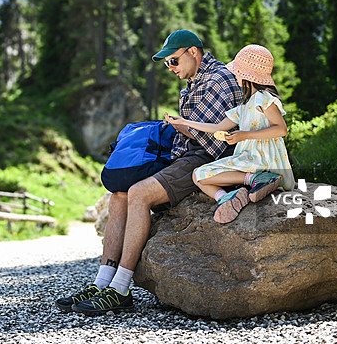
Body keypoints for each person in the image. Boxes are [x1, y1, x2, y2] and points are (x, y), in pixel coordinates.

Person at [56, 29, 243, 316]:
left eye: (174, 61)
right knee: (118, 194)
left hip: (204, 159)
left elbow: (219, 140)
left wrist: (183, 126)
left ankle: (120, 289)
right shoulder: (194, 83)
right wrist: (180, 127)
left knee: (138, 193)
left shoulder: (219, 79)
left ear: (193, 52)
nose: (171, 69)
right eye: (167, 64)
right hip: (184, 154)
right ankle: (103, 281)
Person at [164, 44, 295, 224]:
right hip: (248, 159)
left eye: (238, 71)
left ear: (246, 74)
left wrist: (243, 135)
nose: (234, 74)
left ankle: (259, 179)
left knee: (201, 175)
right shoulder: (243, 106)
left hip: (264, 159)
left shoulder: (264, 99)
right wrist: (184, 122)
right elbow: (218, 127)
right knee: (198, 176)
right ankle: (227, 198)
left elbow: (281, 129)